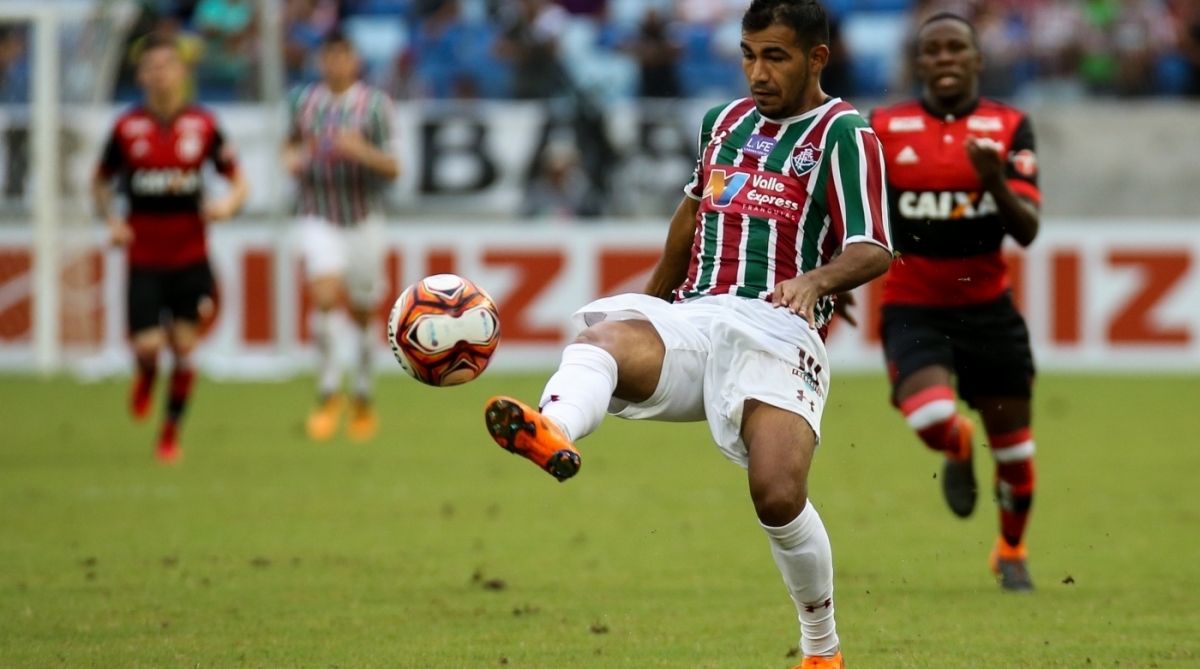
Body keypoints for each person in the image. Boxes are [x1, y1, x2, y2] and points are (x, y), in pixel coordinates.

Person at [482, 1, 891, 666]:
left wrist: (815, 282)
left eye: (775, 57)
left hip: (778, 328)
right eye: (748, 55)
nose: (757, 72)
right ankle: (552, 426)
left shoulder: (845, 133)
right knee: (601, 343)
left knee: (777, 493)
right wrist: (648, 310)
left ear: (817, 58)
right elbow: (689, 220)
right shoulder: (722, 123)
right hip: (696, 317)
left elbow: (874, 247)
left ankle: (822, 647)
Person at [870, 14, 1041, 591]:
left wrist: (993, 181)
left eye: (956, 48)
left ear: (977, 60)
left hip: (989, 309)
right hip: (913, 304)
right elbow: (851, 211)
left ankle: (1011, 551)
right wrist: (830, 281)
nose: (945, 57)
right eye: (933, 50)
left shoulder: (1010, 126)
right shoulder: (883, 128)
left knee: (1015, 452)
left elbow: (1027, 229)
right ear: (919, 63)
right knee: (930, 416)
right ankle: (958, 441)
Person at [92, 33, 249, 463]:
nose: (160, 74)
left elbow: (239, 182)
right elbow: (100, 182)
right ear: (141, 75)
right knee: (147, 346)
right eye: (152, 67)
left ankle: (169, 432)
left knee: (183, 347)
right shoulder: (126, 128)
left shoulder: (204, 125)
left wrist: (227, 205)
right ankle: (146, 374)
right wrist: (111, 220)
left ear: (182, 72)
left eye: (167, 66)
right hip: (143, 258)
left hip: (191, 257)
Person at [284, 31, 400, 443]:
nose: (335, 65)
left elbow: (394, 167)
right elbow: (288, 146)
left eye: (343, 57)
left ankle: (363, 394)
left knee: (364, 312)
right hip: (318, 214)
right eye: (329, 57)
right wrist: (292, 160)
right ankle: (329, 391)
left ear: (355, 62)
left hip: (364, 217)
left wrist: (360, 151)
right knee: (325, 295)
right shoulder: (302, 102)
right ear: (321, 61)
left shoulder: (375, 105)